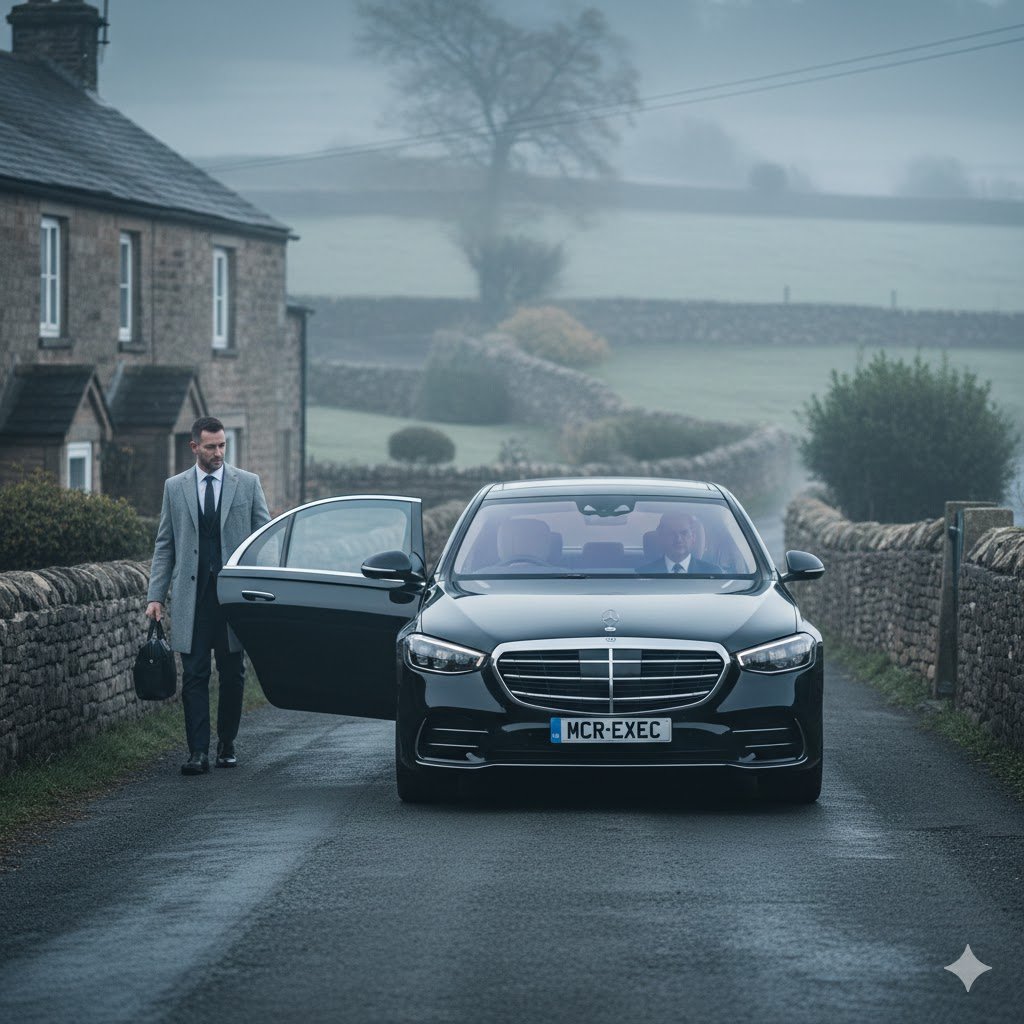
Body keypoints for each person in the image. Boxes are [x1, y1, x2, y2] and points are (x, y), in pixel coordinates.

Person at [146, 416, 270, 775]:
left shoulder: (247, 484)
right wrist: (156, 595)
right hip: (192, 598)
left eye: (222, 446)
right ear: (194, 447)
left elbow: (264, 538)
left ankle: (227, 745)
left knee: (233, 674)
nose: (218, 453)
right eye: (211, 446)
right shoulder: (175, 487)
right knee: (195, 675)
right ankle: (197, 752)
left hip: (232, 599)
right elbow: (165, 544)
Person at [636, 510, 719, 574]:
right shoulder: (642, 574)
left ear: (693, 537)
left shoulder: (714, 573)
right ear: (661, 538)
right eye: (671, 533)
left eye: (684, 533)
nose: (678, 539)